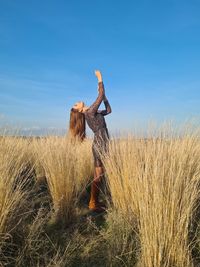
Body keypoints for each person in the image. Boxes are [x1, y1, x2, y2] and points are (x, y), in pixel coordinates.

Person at [69, 70, 112, 212]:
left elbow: (109, 110)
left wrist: (105, 97)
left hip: (101, 142)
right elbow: (99, 96)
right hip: (100, 143)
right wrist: (100, 79)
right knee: (99, 175)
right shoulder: (89, 112)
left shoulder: (93, 112)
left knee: (98, 175)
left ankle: (95, 201)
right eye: (76, 104)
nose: (77, 102)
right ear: (79, 110)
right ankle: (93, 203)